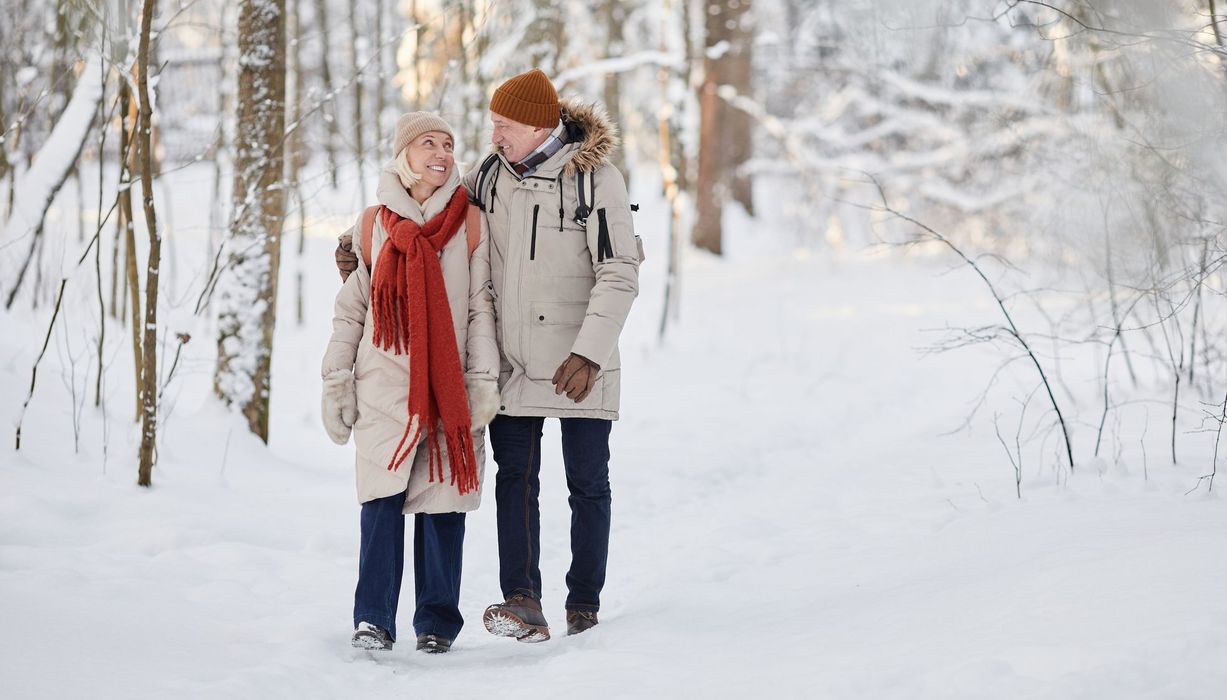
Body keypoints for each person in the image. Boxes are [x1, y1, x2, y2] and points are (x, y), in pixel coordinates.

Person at [336, 71, 641, 641]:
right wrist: (358, 247)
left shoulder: (596, 179)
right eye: (493, 124)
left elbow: (620, 270)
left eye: (503, 125)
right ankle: (523, 600)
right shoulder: (490, 178)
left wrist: (591, 352)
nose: (493, 134)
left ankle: (584, 605)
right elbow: (427, 208)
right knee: (516, 479)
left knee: (587, 484)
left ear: (536, 125)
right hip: (512, 361)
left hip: (580, 361)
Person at [321, 111, 500, 654]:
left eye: (448, 144)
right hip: (385, 383)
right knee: (380, 501)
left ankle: (437, 623)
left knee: (443, 503)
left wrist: (483, 377)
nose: (441, 153)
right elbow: (352, 310)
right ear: (404, 154)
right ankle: (373, 618)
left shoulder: (469, 221)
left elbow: (478, 307)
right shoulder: (374, 223)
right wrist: (336, 379)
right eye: (428, 143)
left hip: (448, 385)